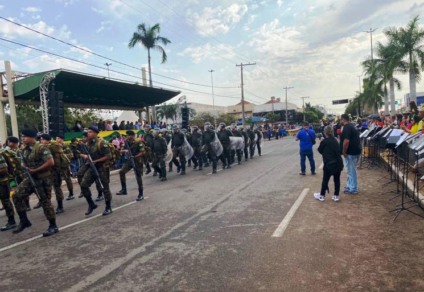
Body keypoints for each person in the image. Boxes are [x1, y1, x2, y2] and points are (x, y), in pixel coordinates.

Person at [12, 129, 59, 237]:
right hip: (30, 178)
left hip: (43, 179)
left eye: (25, 136)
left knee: (45, 202)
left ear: (32, 137)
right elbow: (24, 163)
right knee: (16, 195)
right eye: (22, 136)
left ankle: (53, 225)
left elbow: (50, 162)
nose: (22, 138)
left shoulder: (41, 148)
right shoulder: (24, 150)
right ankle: (24, 221)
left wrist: (35, 170)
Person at [79, 126, 113, 216]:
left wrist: (96, 161)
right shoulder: (88, 144)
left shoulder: (102, 143)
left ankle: (108, 207)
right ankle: (91, 204)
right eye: (88, 132)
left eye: (90, 132)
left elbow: (108, 156)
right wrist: (84, 156)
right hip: (92, 168)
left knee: (104, 187)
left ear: (95, 133)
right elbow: (87, 154)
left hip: (102, 168)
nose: (88, 133)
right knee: (83, 185)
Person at [314, 125, 344, 202]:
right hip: (338, 163)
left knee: (325, 180)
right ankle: (336, 195)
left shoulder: (324, 141)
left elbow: (320, 150)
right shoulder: (336, 140)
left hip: (328, 163)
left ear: (325, 132)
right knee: (337, 180)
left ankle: (322, 195)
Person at [116, 130, 146, 201]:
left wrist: (135, 156)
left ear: (133, 136)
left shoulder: (138, 142)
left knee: (138, 177)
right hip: (130, 160)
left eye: (129, 135)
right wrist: (125, 151)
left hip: (137, 161)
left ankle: (141, 194)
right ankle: (124, 189)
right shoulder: (126, 142)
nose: (128, 136)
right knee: (121, 172)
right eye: (127, 135)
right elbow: (121, 150)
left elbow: (143, 152)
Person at [340, 114, 361, 194]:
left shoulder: (347, 127)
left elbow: (346, 141)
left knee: (351, 170)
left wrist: (344, 151)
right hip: (355, 151)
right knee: (349, 170)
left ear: (343, 120)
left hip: (351, 152)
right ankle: (349, 185)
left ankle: (353, 188)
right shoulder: (352, 126)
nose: (340, 121)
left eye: (341, 120)